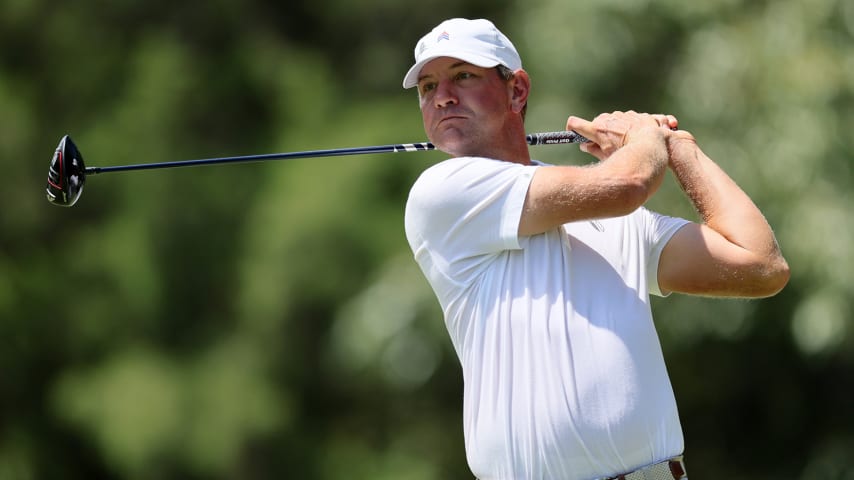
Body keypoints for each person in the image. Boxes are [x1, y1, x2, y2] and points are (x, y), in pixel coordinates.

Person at [401, 18, 790, 480]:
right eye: (428, 86)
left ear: (517, 91)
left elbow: (760, 266)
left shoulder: (606, 212)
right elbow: (627, 183)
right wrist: (644, 142)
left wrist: (678, 148)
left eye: (463, 75)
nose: (442, 95)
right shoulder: (442, 192)